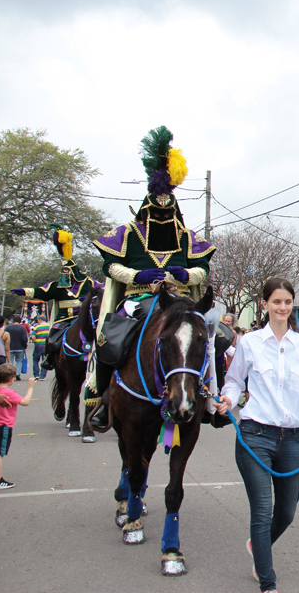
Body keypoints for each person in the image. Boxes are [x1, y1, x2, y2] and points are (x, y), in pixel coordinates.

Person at [87, 126, 215, 428]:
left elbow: (204, 270)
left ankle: (209, 399)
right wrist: (136, 275)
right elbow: (110, 267)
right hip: (138, 299)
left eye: (166, 214)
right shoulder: (128, 234)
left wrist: (188, 273)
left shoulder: (186, 237)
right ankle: (104, 398)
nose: (161, 218)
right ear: (145, 210)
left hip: (179, 300)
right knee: (111, 337)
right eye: (156, 213)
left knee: (215, 338)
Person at [213, 277, 299, 591]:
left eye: (287, 302)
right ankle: (268, 581)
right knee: (262, 509)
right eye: (276, 302)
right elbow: (234, 381)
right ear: (265, 304)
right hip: (254, 435)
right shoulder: (249, 343)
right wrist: (229, 399)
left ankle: (258, 546)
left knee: (286, 513)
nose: (282, 307)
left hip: (293, 440)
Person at [10, 226, 103, 371]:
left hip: (84, 318)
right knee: (52, 339)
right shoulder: (57, 286)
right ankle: (49, 358)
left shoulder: (88, 283)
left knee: (102, 335)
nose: (64, 276)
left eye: (67, 273)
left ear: (74, 273)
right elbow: (40, 291)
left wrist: (92, 295)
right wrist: (23, 291)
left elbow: (102, 289)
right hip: (63, 320)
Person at [0, 365, 35, 490]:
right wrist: (30, 387)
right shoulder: (9, 393)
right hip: (3, 426)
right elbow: (25, 402)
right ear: (11, 379)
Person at [4, 316, 28, 381]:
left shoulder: (8, 327)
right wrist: (25, 345)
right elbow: (24, 338)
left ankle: (10, 373)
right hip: (19, 347)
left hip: (10, 347)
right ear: (20, 321)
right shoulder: (22, 328)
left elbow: (4, 336)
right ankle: (17, 373)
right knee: (19, 361)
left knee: (10, 360)